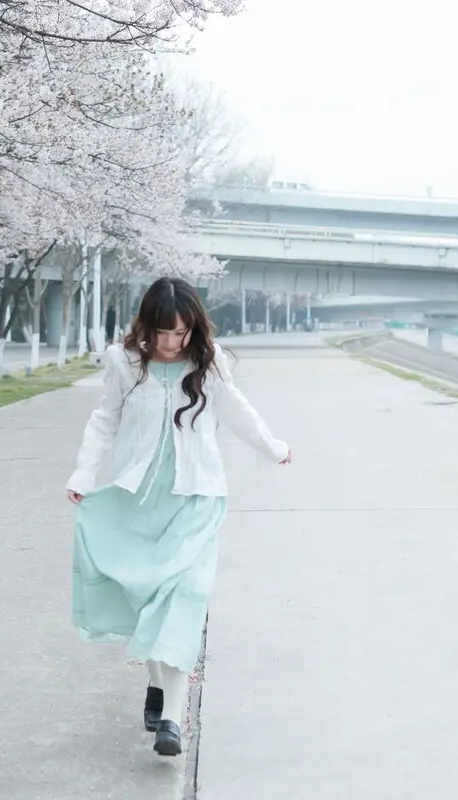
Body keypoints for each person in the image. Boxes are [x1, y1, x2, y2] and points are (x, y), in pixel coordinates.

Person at [65, 276, 291, 757]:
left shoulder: (209, 362)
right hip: (137, 501)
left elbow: (237, 411)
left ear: (194, 328)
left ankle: (171, 716)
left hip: (195, 499)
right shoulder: (124, 362)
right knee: (146, 600)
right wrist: (84, 473)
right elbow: (104, 420)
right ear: (146, 326)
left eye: (180, 332)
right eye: (162, 332)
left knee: (184, 597)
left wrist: (272, 446)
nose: (171, 343)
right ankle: (156, 683)